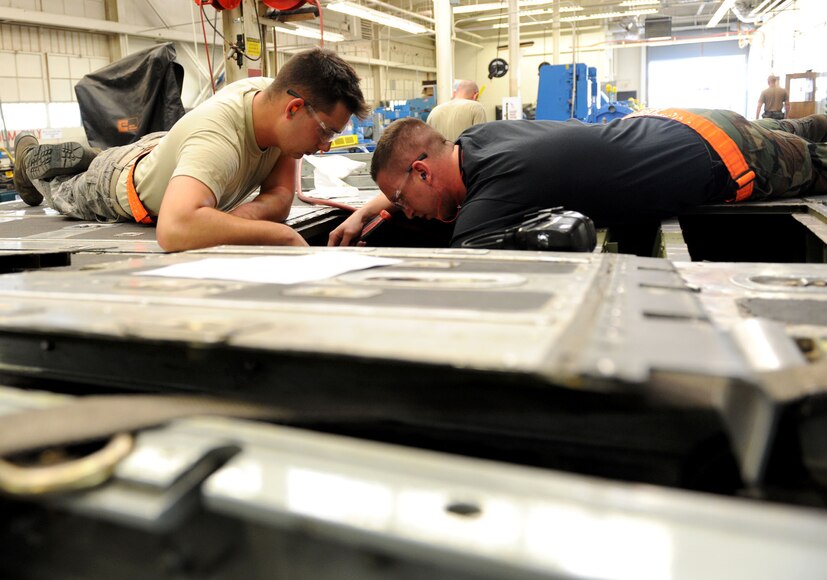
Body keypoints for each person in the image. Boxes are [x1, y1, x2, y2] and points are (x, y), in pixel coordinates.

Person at [13, 47, 368, 252]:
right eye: (325, 132)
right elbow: (175, 229)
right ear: (293, 109)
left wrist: (232, 221)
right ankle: (29, 156)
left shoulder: (271, 101)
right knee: (60, 190)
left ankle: (93, 156)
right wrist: (281, 234)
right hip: (123, 187)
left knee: (121, 159)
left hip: (168, 151)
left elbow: (279, 195)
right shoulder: (218, 138)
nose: (324, 147)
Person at [328, 109, 827, 249]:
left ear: (421, 169)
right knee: (810, 128)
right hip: (687, 121)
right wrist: (378, 205)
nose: (407, 209)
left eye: (402, 196)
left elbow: (466, 257)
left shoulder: (491, 202)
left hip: (732, 157)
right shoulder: (480, 137)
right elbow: (426, 196)